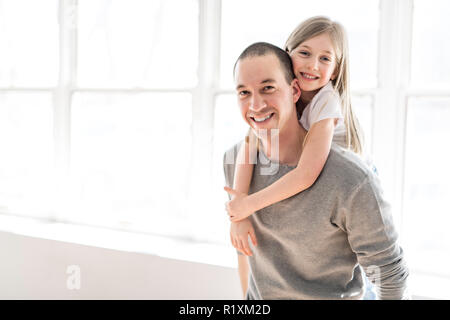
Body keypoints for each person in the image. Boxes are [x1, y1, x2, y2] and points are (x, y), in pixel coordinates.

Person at [223, 41, 409, 299]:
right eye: (244, 93)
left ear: (295, 91)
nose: (255, 105)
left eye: (268, 88)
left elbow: (389, 278)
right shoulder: (235, 161)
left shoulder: (351, 179)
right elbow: (245, 252)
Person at [224, 16, 364, 225]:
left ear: (335, 70)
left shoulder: (328, 101)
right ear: (288, 54)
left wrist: (249, 205)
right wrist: (239, 214)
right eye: (305, 53)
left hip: (349, 184)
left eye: (325, 59)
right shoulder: (283, 94)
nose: (312, 65)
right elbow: (250, 143)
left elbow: (306, 174)